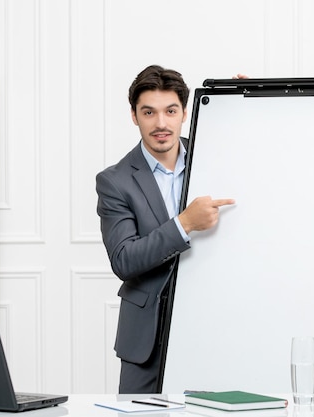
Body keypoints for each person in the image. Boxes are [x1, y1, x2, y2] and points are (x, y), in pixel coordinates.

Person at [95, 65, 236, 393]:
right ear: (134, 116)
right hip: (146, 341)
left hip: (217, 325)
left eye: (170, 111)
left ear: (184, 113)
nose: (161, 123)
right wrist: (184, 223)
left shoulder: (215, 156)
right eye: (149, 112)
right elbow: (124, 260)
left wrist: (243, 107)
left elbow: (261, 158)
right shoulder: (114, 181)